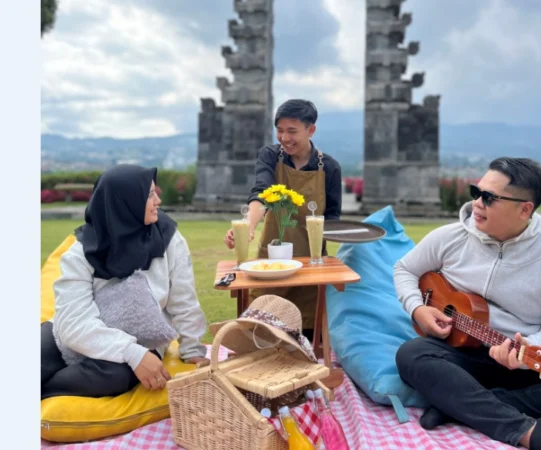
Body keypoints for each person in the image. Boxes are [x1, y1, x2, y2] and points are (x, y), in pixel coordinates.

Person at [394, 157, 541, 450]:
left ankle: (457, 405)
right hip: (461, 357)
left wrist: (528, 349)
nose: (477, 203)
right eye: (476, 192)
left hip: (521, 367)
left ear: (525, 209)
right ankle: (525, 431)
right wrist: (417, 308)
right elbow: (405, 269)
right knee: (411, 354)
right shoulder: (450, 237)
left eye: (489, 198)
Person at [41, 165, 208, 400]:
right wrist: (130, 352)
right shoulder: (82, 252)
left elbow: (184, 301)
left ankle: (45, 392)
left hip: (139, 343)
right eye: (150, 195)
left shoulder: (169, 239)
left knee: (116, 376)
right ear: (125, 202)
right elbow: (72, 324)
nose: (158, 200)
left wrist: (192, 351)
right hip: (70, 339)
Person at [223, 99, 342, 336]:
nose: (284, 138)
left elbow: (332, 220)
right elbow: (261, 193)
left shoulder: (329, 167)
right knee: (261, 331)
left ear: (311, 130)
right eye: (280, 130)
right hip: (270, 264)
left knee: (308, 334)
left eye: (292, 131)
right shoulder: (270, 156)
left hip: (311, 265)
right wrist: (248, 226)